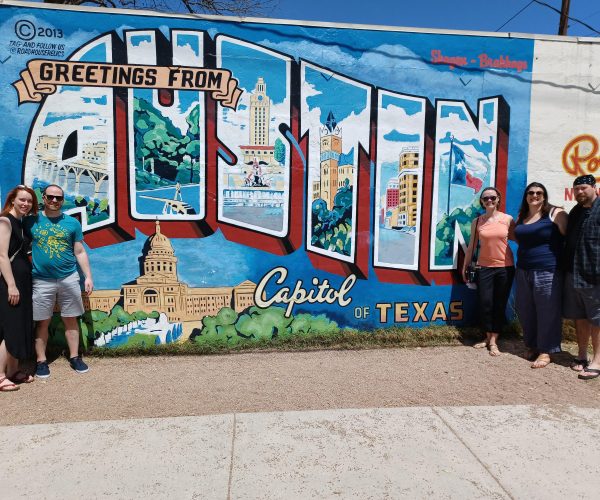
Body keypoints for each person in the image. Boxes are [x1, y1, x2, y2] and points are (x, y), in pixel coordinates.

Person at [23, 184, 93, 378]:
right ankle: (41, 361)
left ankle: (75, 357)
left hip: (68, 277)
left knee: (71, 319)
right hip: (41, 280)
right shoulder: (30, 222)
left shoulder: (72, 223)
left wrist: (88, 276)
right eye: (51, 197)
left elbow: (79, 251)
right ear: (44, 198)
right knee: (42, 322)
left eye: (59, 198)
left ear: (63, 200)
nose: (54, 200)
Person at [514, 182, 567, 368]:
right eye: (531, 192)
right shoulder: (522, 216)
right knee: (525, 309)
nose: (534, 195)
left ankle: (546, 351)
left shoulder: (555, 213)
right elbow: (518, 237)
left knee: (547, 311)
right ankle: (532, 345)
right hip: (523, 269)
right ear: (526, 196)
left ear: (544, 196)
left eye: (539, 192)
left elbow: (569, 236)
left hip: (547, 270)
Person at [463, 187, 515, 356]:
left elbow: (519, 238)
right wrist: (465, 266)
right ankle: (487, 336)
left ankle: (493, 340)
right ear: (482, 202)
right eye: (486, 198)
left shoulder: (508, 219)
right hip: (484, 267)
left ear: (498, 199)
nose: (489, 200)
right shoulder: (477, 221)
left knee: (499, 304)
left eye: (492, 197)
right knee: (485, 303)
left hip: (505, 267)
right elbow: (472, 246)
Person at [0, 185, 38, 392]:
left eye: (29, 201)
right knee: (12, 329)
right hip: (10, 283)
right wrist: (12, 285)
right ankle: (0, 375)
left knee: (20, 326)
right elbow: (2, 256)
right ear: (12, 200)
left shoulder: (20, 223)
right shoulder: (5, 221)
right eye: (22, 200)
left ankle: (13, 371)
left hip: (22, 282)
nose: (26, 204)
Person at [563, 174, 600, 380]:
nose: (579, 192)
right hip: (573, 274)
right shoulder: (576, 211)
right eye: (576, 189)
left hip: (594, 276)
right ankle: (582, 355)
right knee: (580, 317)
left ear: (594, 187)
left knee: (597, 319)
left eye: (584, 188)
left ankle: (597, 361)